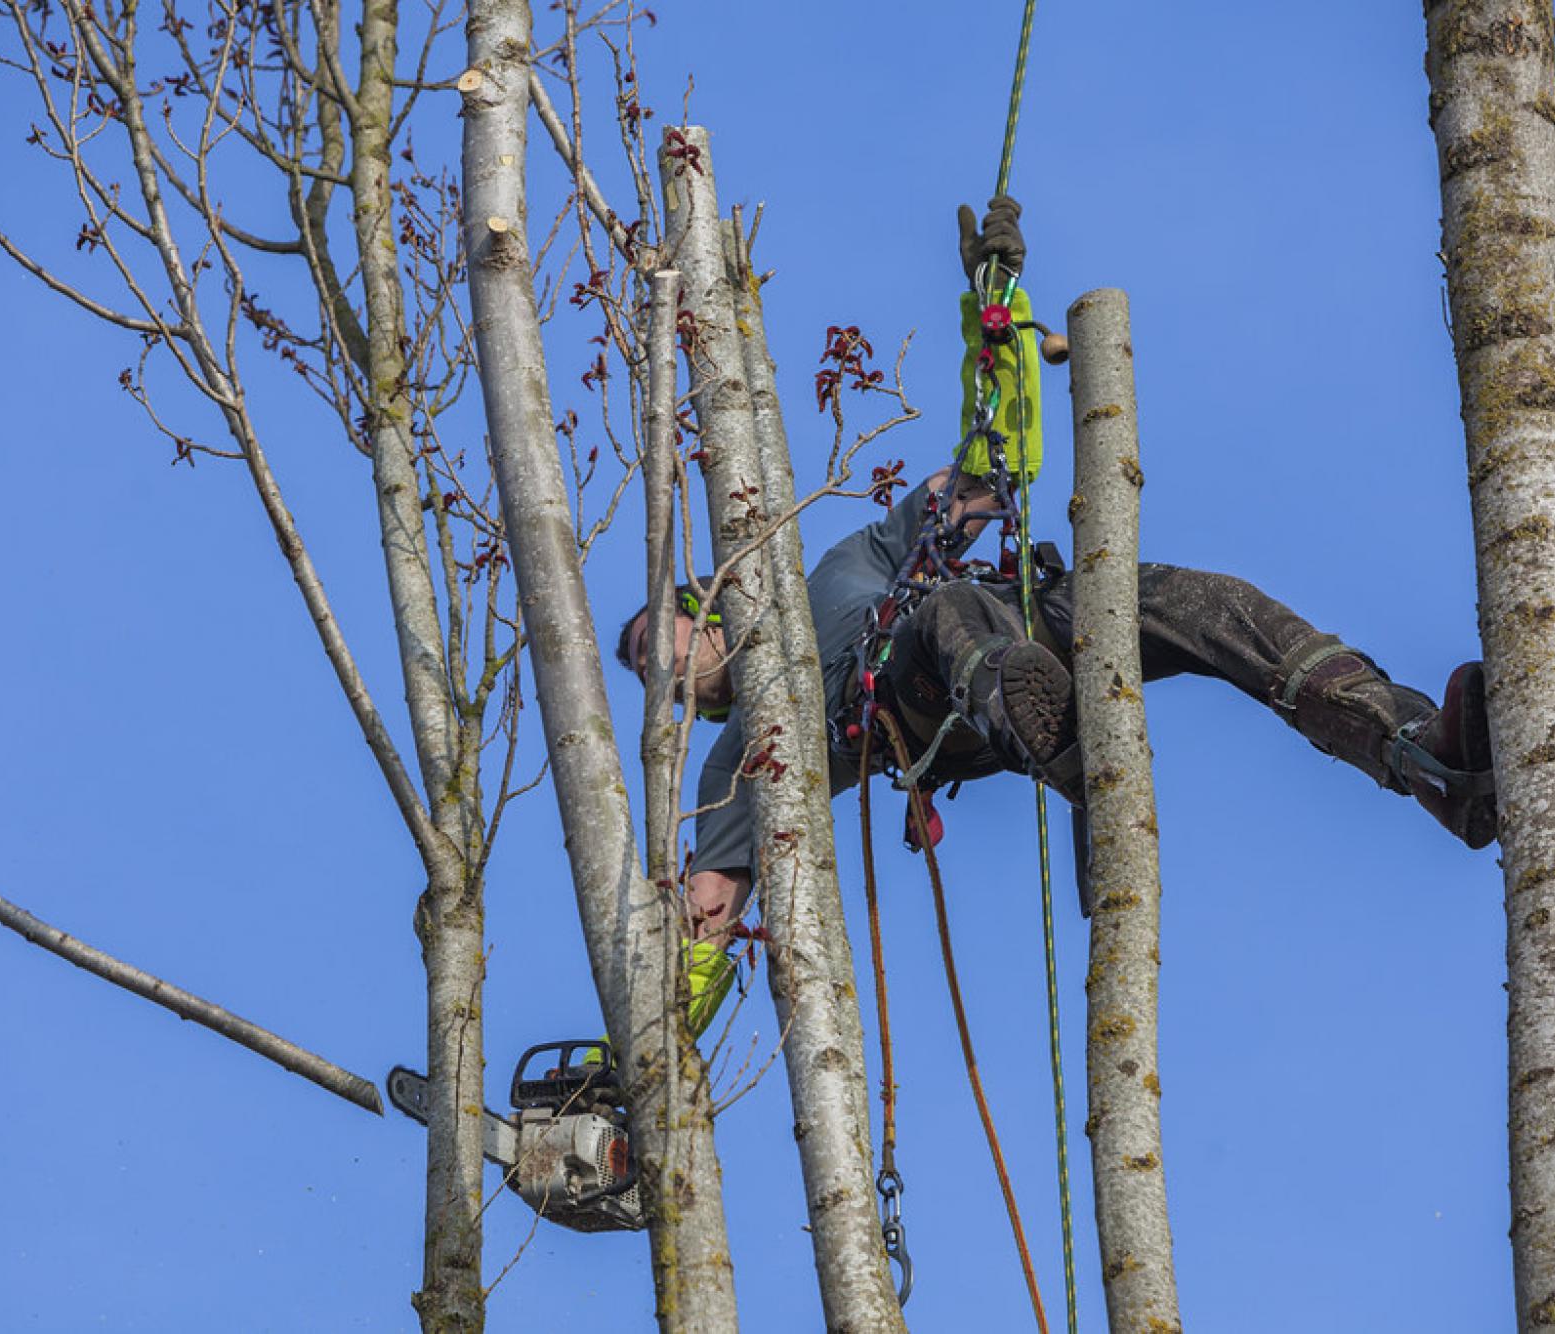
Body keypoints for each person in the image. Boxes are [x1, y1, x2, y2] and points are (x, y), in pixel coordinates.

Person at [613, 198, 1496, 1037]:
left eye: (660, 639)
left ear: (705, 605)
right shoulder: (741, 760)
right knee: (949, 612)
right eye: (654, 673)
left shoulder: (845, 568)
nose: (664, 666)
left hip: (1013, 621)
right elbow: (711, 911)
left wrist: (996, 317)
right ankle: (1044, 723)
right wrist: (656, 1046)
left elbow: (986, 476)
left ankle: (1423, 753)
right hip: (928, 695)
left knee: (1199, 601)